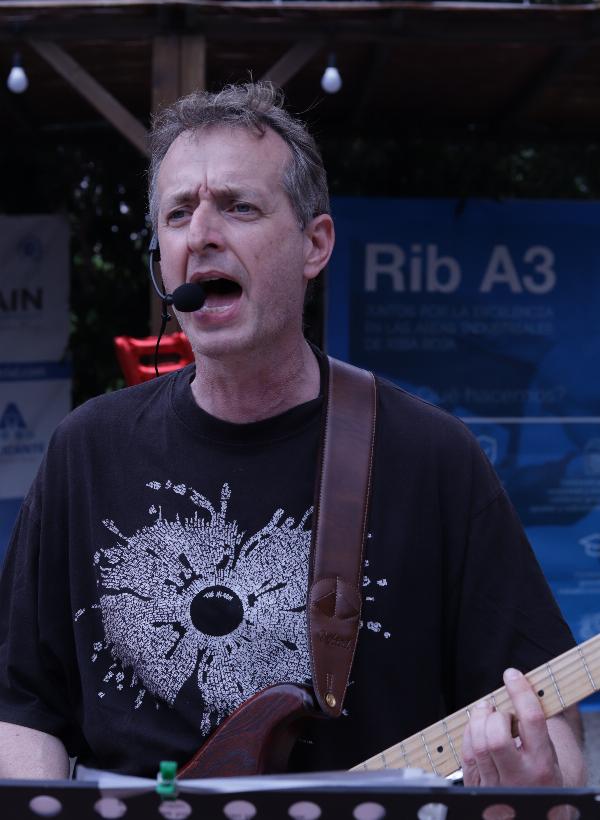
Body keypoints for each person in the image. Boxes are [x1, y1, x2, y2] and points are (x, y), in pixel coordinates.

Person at [0, 83, 586, 789]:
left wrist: (536, 783)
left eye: (238, 207)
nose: (200, 233)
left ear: (316, 245)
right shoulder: (86, 451)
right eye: (178, 213)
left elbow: (550, 715)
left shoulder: (433, 458)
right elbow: (19, 704)